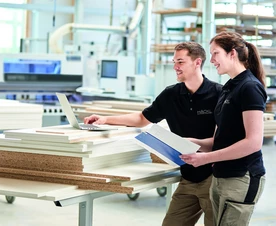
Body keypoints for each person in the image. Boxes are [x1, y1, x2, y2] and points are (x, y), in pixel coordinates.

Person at [84, 42, 222, 226]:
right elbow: (142, 118)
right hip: (188, 177)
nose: (175, 67)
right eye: (174, 61)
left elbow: (222, 139)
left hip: (213, 178)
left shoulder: (218, 94)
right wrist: (105, 119)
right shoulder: (171, 94)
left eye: (180, 61)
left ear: (198, 62)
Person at [180, 31, 267, 226]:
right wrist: (196, 144)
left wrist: (205, 158)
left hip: (241, 176)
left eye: (215, 53)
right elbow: (220, 139)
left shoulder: (250, 87)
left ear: (232, 53)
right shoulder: (229, 87)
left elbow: (253, 142)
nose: (211, 60)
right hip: (221, 176)